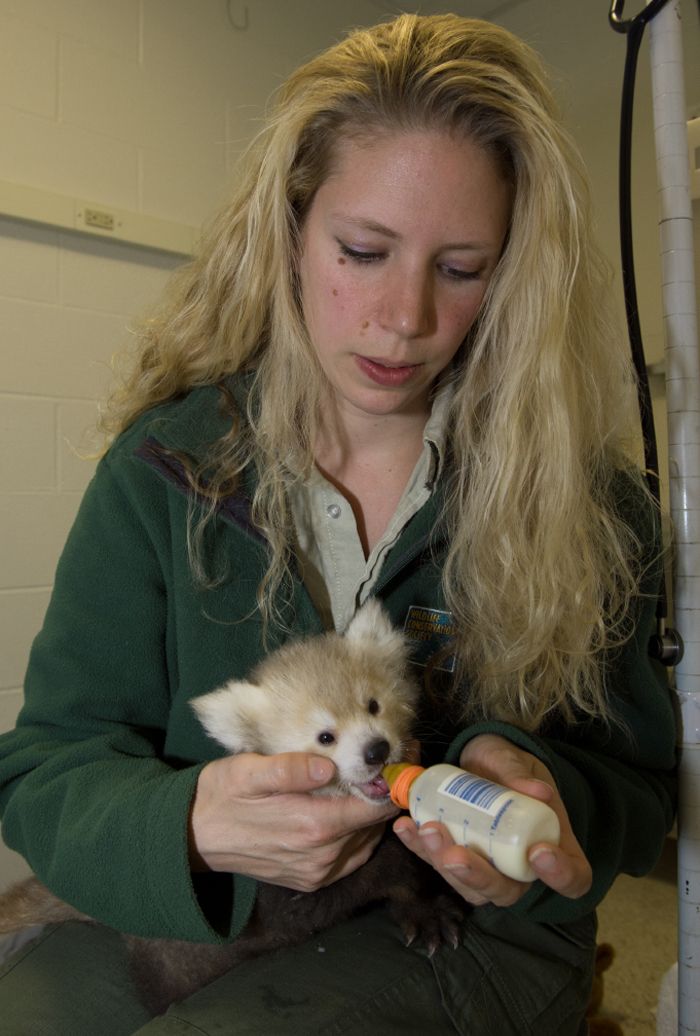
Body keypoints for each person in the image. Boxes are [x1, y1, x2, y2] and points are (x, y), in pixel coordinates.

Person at [0, 12, 677, 1035]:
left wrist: (544, 798)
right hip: (205, 902)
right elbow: (49, 762)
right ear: (287, 233)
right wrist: (180, 823)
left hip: (458, 924)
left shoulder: (587, 504)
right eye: (363, 250)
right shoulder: (164, 466)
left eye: (460, 268)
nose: (403, 317)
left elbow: (638, 785)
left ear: (513, 275)